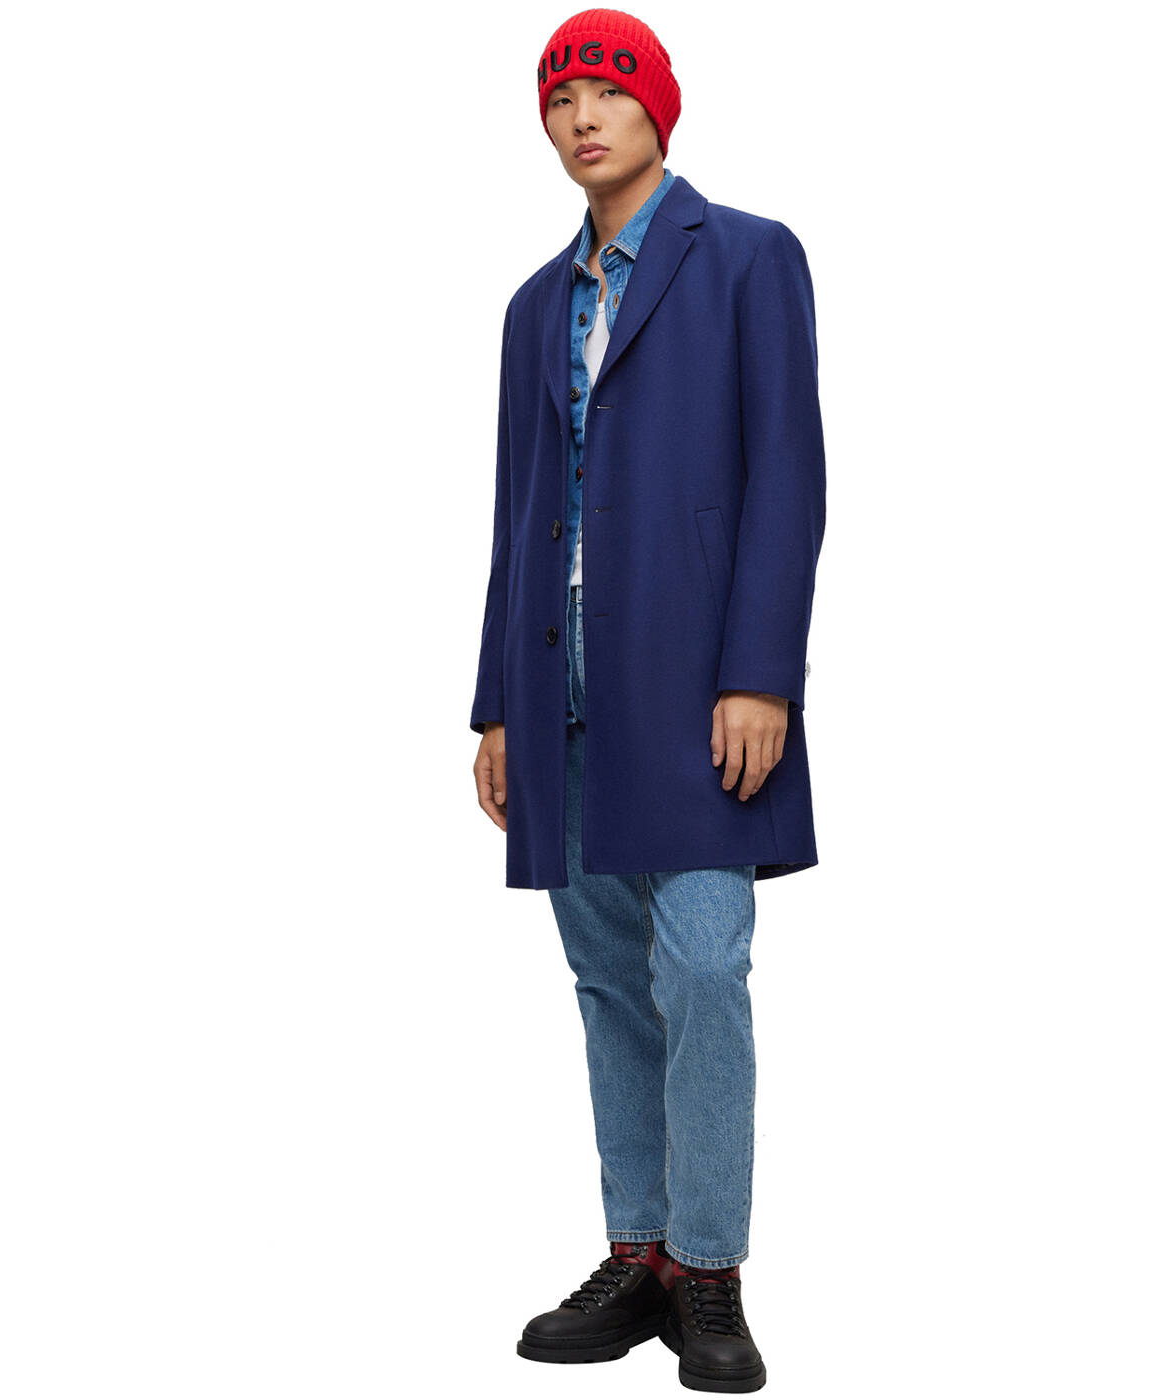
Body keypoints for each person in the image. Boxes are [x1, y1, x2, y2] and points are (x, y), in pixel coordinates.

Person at [469, 9, 826, 1392]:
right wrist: (497, 704)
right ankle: (641, 1254)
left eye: (608, 92)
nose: (582, 116)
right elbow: (516, 512)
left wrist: (760, 673)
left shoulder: (747, 257)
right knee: (611, 981)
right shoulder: (531, 308)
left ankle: (712, 1270)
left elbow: (788, 473)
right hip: (560, 682)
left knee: (705, 968)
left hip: (697, 683)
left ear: (658, 110)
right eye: (560, 97)